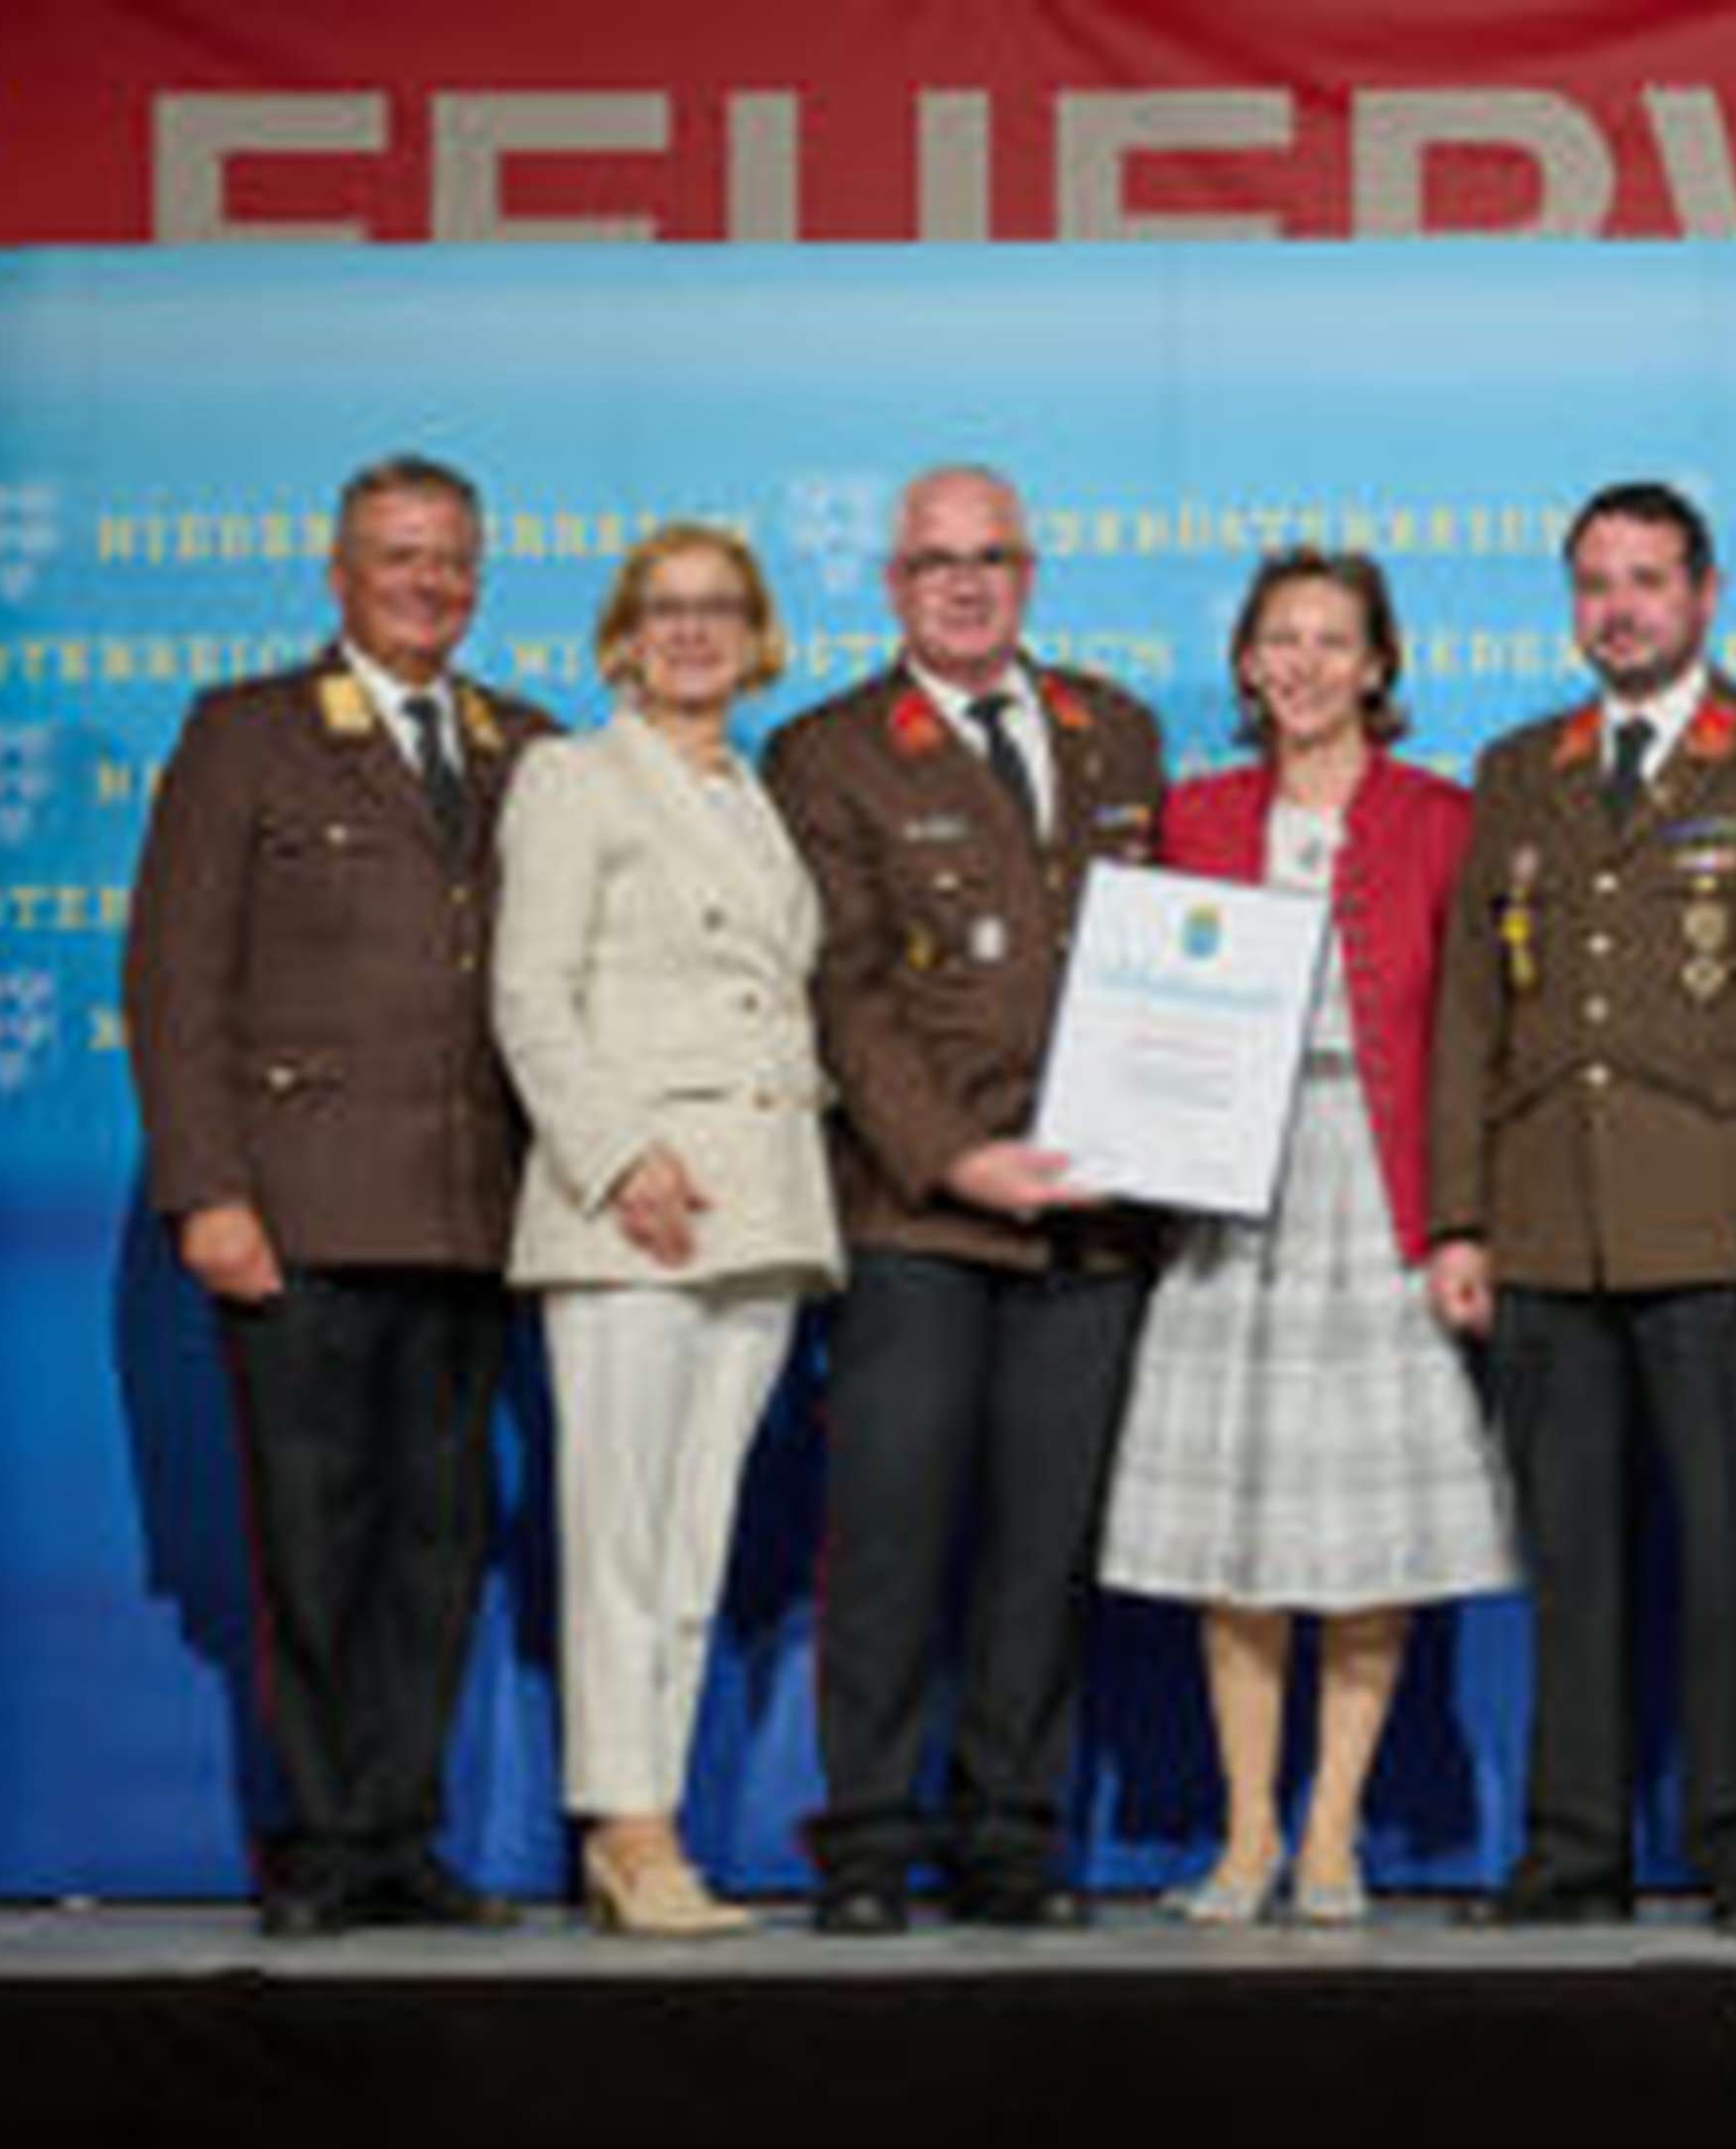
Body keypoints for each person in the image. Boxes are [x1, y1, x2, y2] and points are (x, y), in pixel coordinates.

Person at [1430, 481, 1736, 1937]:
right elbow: (1464, 1021)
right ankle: (1571, 1853)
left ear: (1704, 596)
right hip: (1549, 1224)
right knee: (1570, 1563)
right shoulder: (1517, 768)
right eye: (1594, 583)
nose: (1618, 607)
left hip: (1722, 1228)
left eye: (1646, 580)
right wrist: (1460, 1218)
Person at [124, 453, 551, 1938]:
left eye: (451, 559)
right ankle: (314, 1843)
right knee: (314, 1538)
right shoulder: (245, 734)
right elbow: (173, 982)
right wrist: (206, 1189)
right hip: (295, 1215)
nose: (428, 582)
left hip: (470, 1215)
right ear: (338, 571)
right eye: (398, 556)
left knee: (441, 1546)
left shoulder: (526, 747)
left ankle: (401, 1837)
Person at [765, 465, 1166, 1935]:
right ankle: (866, 1838)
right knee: (889, 1537)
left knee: (1043, 1547)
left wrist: (1166, 1130)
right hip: (918, 1214)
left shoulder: (1113, 727)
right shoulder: (825, 750)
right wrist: (957, 1157)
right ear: (892, 584)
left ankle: (1010, 1834)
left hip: (1096, 1218)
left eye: (992, 555)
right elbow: (845, 994)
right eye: (937, 560)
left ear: (1030, 569)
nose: (967, 581)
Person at [1097, 549, 1512, 1927]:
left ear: (1380, 665)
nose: (1308, 664)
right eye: (1282, 639)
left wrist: (1462, 1216)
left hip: (1376, 1188)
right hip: (1227, 1201)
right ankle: (1246, 1832)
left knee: (1364, 1540)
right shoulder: (1195, 813)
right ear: (1247, 663)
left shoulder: (1443, 815)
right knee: (1238, 1539)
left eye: (1335, 640)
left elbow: (1470, 1037)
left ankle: (1333, 1831)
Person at [492, 525, 840, 1936]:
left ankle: (659, 1818)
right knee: (620, 1533)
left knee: (695, 1537)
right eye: (664, 608)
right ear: (621, 637)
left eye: (720, 609)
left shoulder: (757, 794)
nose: (692, 631)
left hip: (758, 1199)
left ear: (758, 636)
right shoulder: (573, 777)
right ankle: (624, 1824)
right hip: (633, 1203)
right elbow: (529, 992)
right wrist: (618, 1153)